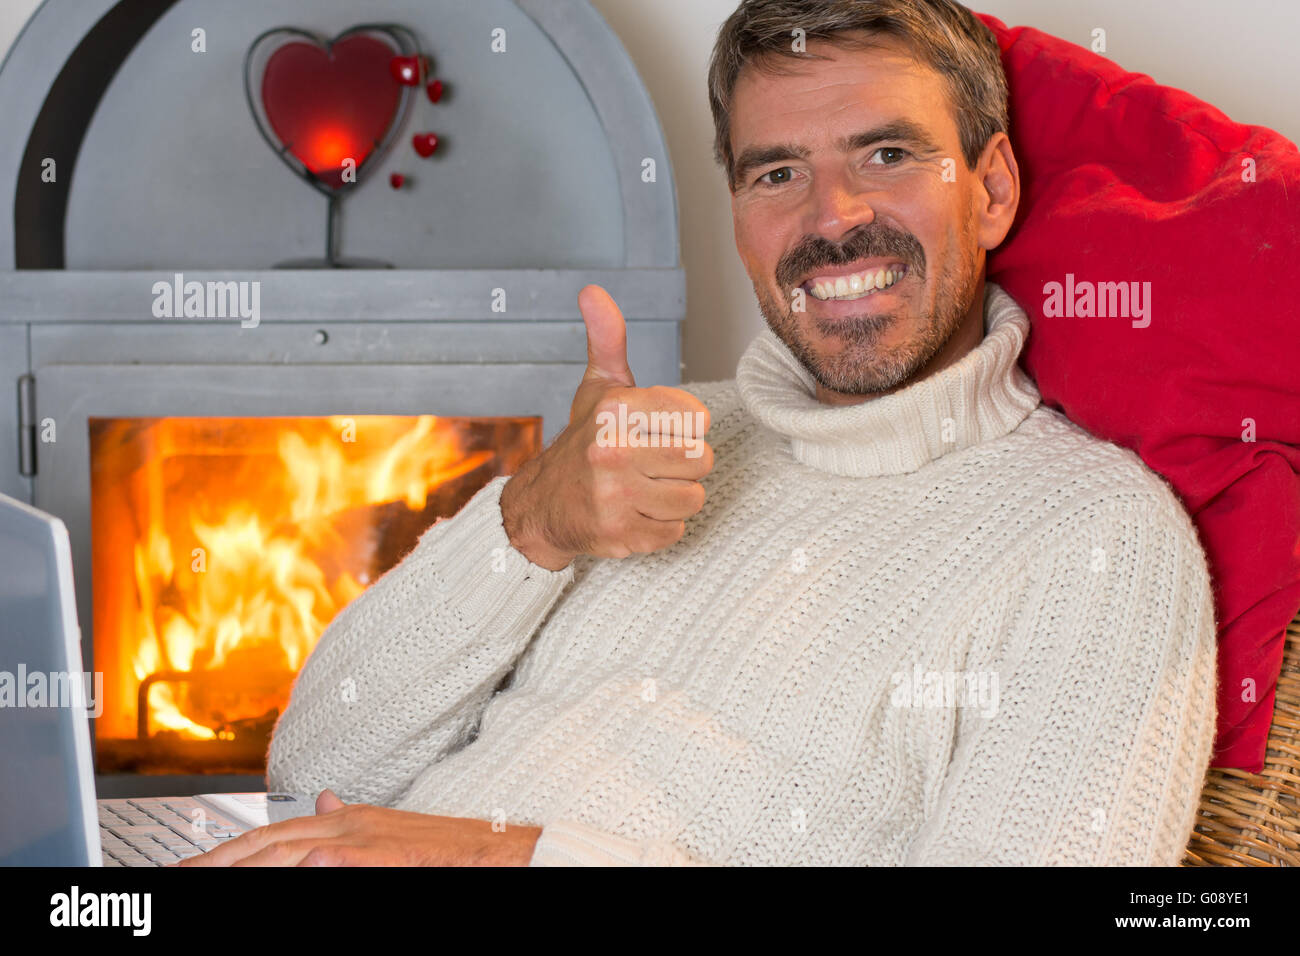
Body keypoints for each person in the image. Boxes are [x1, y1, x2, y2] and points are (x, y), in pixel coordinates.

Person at [183, 0, 1216, 867]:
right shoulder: (658, 438)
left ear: (989, 190)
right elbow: (312, 771)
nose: (832, 216)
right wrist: (531, 521)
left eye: (887, 153)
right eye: (777, 174)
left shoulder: (1097, 541)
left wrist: (517, 851)